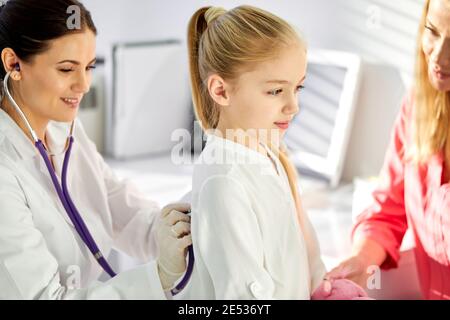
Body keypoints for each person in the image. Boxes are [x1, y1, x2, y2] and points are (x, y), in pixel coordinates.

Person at [0, 0, 191, 299]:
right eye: (66, 69)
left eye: (89, 67)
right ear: (13, 64)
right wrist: (158, 278)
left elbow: (122, 211)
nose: (84, 85)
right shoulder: (4, 170)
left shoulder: (66, 133)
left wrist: (177, 232)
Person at [179, 5, 326, 299]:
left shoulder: (269, 155)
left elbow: (301, 248)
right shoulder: (223, 181)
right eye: (275, 91)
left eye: (298, 88)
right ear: (220, 91)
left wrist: (323, 286)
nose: (293, 106)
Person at [326, 0, 450, 300]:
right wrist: (362, 259)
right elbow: (389, 209)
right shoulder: (419, 107)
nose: (439, 57)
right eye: (432, 31)